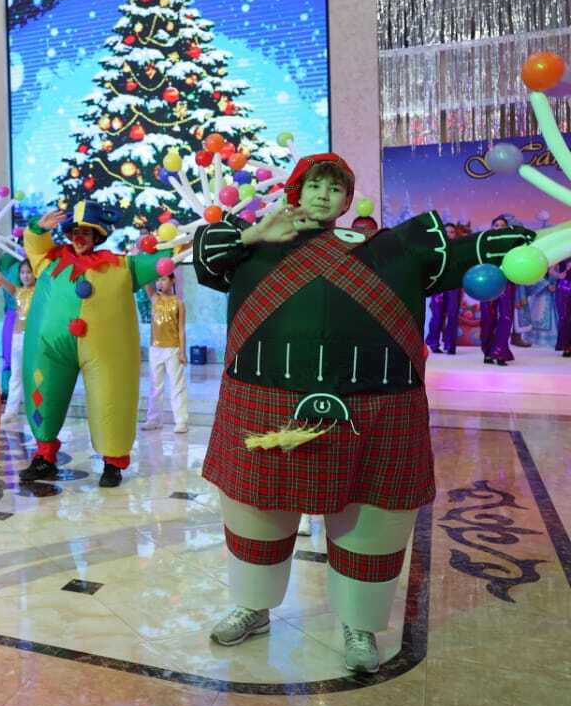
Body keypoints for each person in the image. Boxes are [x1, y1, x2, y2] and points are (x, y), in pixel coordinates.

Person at [192, 152, 536, 673]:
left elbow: (455, 257)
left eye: (336, 188)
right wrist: (255, 234)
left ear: (348, 200)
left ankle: (359, 623)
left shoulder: (390, 248)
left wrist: (507, 243)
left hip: (379, 410)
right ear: (295, 191)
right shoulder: (250, 245)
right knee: (255, 509)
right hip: (262, 403)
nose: (324, 195)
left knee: (372, 518)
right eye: (314, 185)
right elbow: (206, 257)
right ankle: (253, 607)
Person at [15, 201, 170, 488]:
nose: (80, 237)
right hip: (49, 346)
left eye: (86, 232)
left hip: (104, 349)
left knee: (112, 398)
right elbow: (34, 243)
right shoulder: (49, 261)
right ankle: (44, 456)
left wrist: (174, 242)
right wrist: (38, 227)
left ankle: (113, 463)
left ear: (97, 236)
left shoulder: (120, 266)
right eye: (75, 232)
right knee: (42, 394)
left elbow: (161, 262)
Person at [0, 259, 35, 430]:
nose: (25, 276)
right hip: (17, 337)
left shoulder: (40, 292)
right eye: (23, 273)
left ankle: (37, 410)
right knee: (15, 376)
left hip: (33, 338)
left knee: (34, 376)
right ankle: (11, 412)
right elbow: (2, 280)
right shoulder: (18, 292)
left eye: (29, 272)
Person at [142, 272, 189, 433]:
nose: (159, 283)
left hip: (173, 349)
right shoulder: (154, 298)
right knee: (155, 385)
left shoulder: (179, 303)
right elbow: (145, 280)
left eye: (163, 279)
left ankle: (181, 421)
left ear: (172, 280)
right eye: (158, 280)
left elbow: (181, 330)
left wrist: (182, 351)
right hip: (155, 348)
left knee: (177, 386)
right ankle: (154, 419)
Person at [479, 215, 518, 366]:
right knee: (488, 318)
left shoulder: (513, 246)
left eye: (503, 225)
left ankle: (500, 352)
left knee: (506, 317)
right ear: (492, 228)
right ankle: (488, 351)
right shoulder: (484, 244)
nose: (499, 227)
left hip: (507, 282)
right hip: (488, 283)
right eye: (496, 225)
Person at [425, 223, 463, 354]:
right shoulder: (436, 248)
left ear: (455, 234)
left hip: (454, 286)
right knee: (437, 316)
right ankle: (433, 343)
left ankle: (450, 345)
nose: (449, 234)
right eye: (446, 232)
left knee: (452, 315)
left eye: (452, 232)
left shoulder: (459, 249)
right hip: (439, 287)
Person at [553, 260, 571, 357]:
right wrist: (559, 275)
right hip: (564, 289)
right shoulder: (562, 253)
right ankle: (566, 346)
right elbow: (551, 269)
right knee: (564, 318)